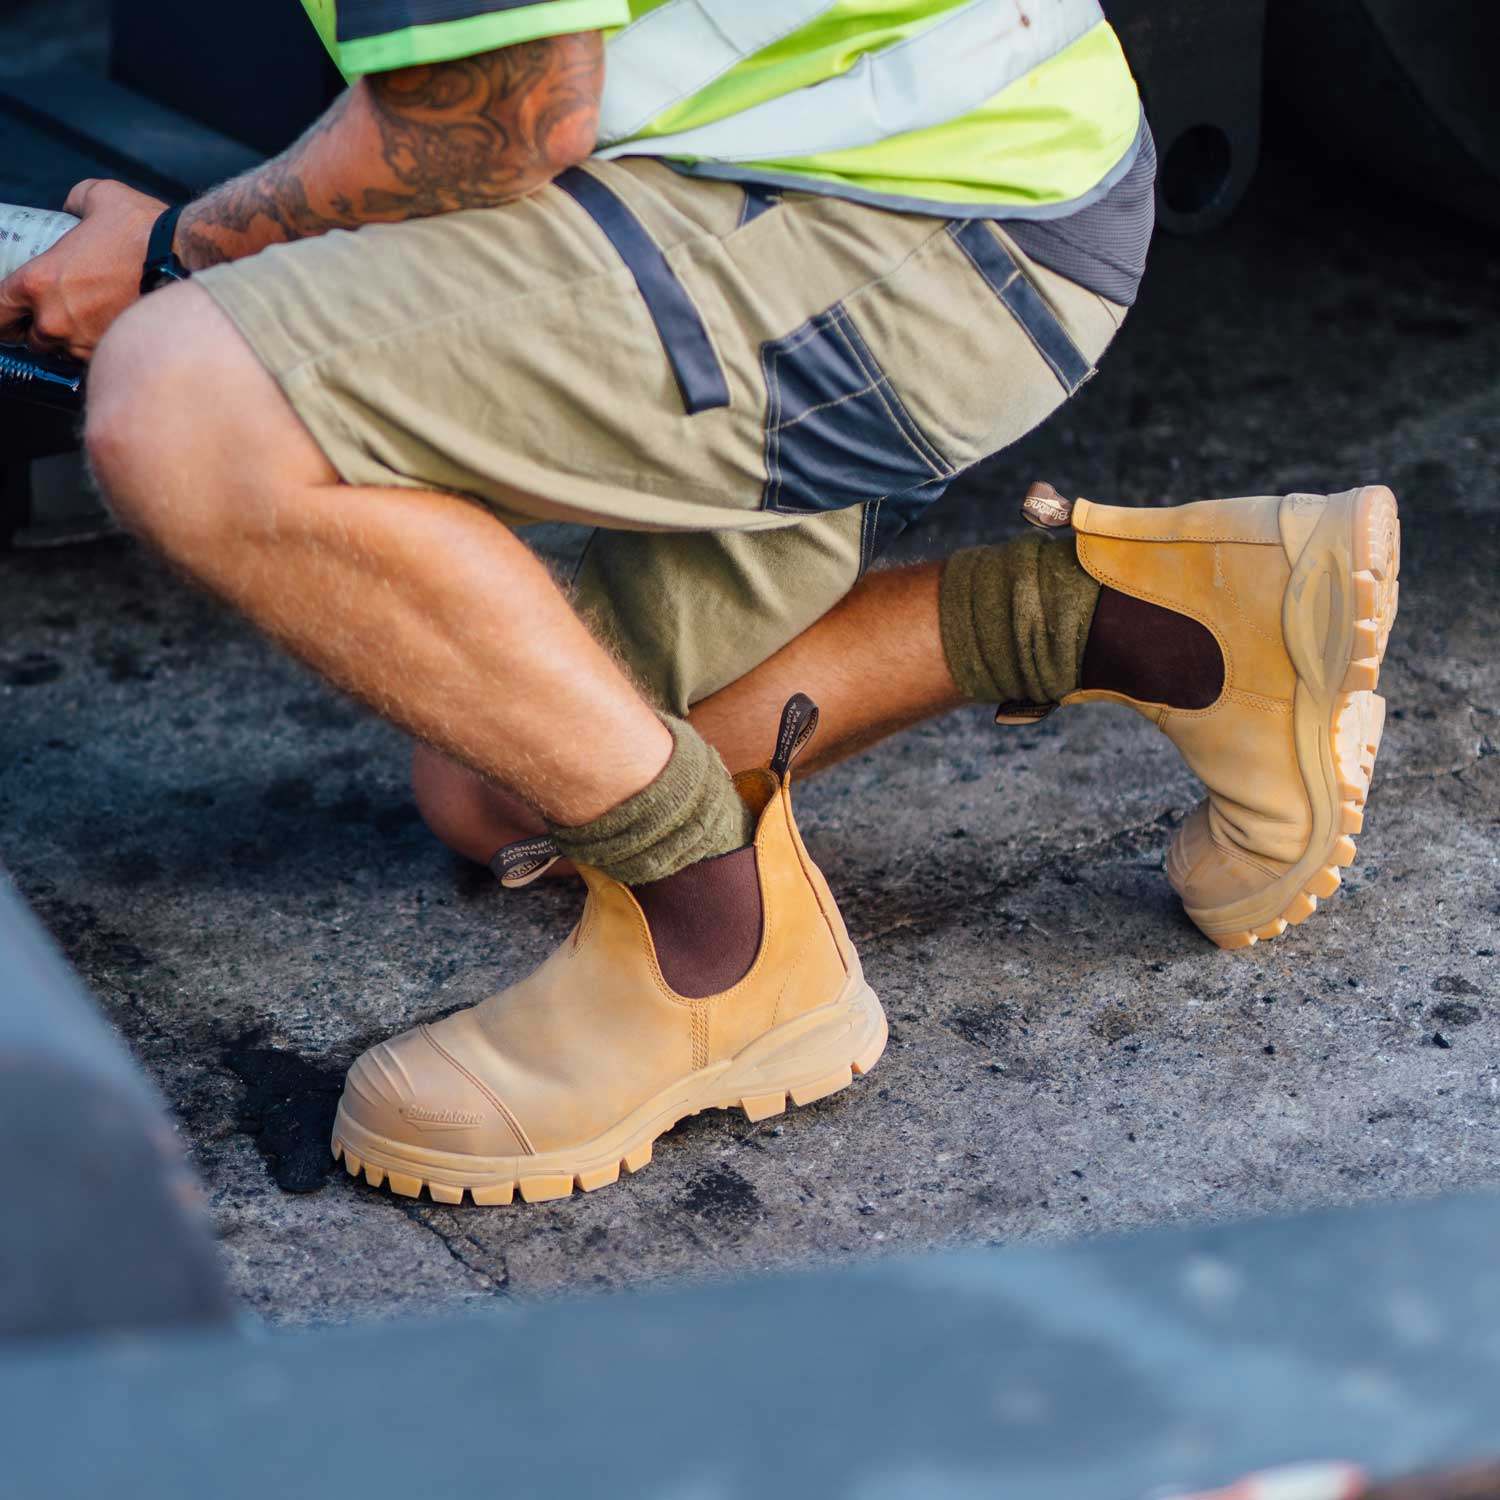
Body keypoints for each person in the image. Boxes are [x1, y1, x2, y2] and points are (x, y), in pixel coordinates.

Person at [0, 0, 1399, 1207]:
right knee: (502, 786)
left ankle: (719, 947)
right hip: (856, 153)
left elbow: (497, 113)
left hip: (912, 220)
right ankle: (1164, 626)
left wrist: (178, 256)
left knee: (185, 405)